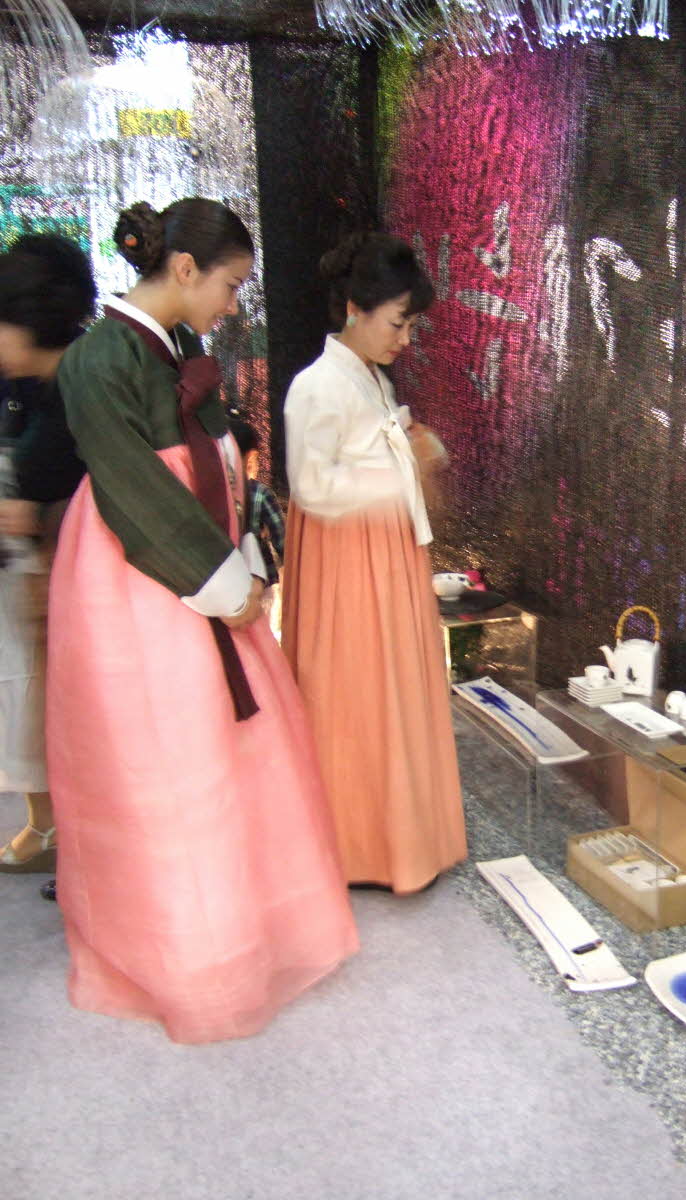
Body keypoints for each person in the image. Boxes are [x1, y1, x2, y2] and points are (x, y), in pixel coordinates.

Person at [47, 198, 358, 1043]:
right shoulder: (98, 358)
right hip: (137, 581)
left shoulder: (179, 345)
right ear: (184, 269)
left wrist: (245, 560)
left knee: (230, 757)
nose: (232, 303)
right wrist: (223, 581)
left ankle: (252, 930)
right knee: (169, 763)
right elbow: (134, 489)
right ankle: (189, 957)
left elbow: (219, 458)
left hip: (203, 566)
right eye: (229, 285)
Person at [281, 231, 467, 895]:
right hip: (348, 561)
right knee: (355, 694)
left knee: (394, 690)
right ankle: (355, 847)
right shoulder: (315, 386)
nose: (405, 339)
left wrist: (413, 454)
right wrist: (398, 473)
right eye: (397, 324)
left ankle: (398, 841)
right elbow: (312, 487)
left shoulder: (371, 378)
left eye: (411, 326)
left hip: (383, 552)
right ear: (356, 309)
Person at [0, 234, 94, 877]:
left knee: (68, 710)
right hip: (45, 573)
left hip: (76, 584)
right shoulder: (53, 381)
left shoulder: (78, 390)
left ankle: (77, 840)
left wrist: (28, 507)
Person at [228, 415, 285, 594]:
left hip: (224, 584)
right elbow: (283, 542)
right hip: (260, 581)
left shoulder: (212, 492)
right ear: (251, 459)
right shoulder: (260, 493)